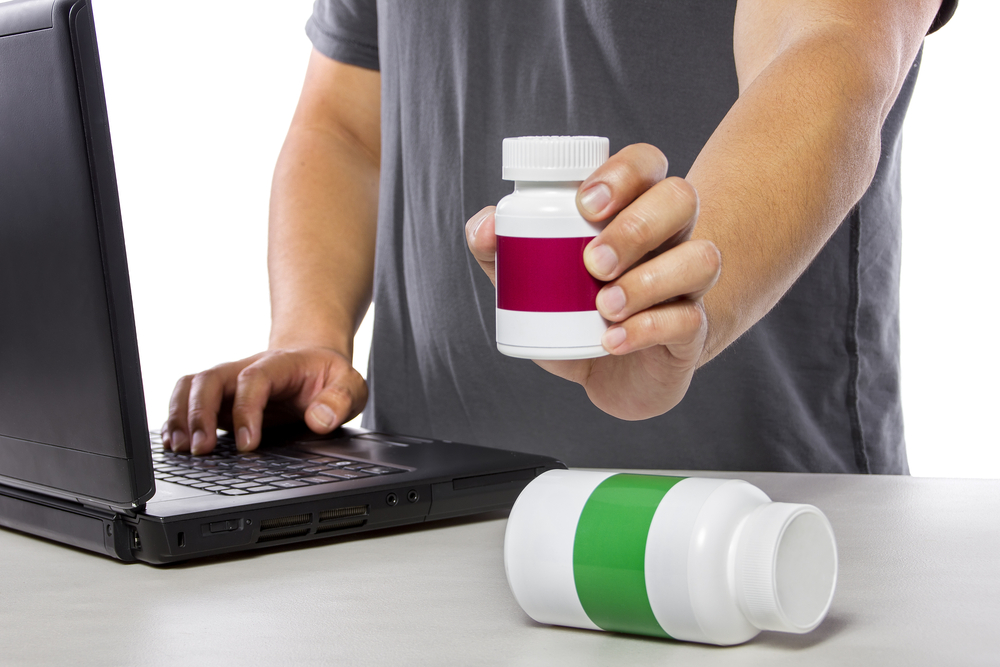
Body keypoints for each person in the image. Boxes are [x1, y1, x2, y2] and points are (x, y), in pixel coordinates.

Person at [162, 1, 957, 473]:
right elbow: (345, 124)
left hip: (739, 531)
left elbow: (831, 45)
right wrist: (310, 334)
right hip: (423, 518)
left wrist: (673, 306)